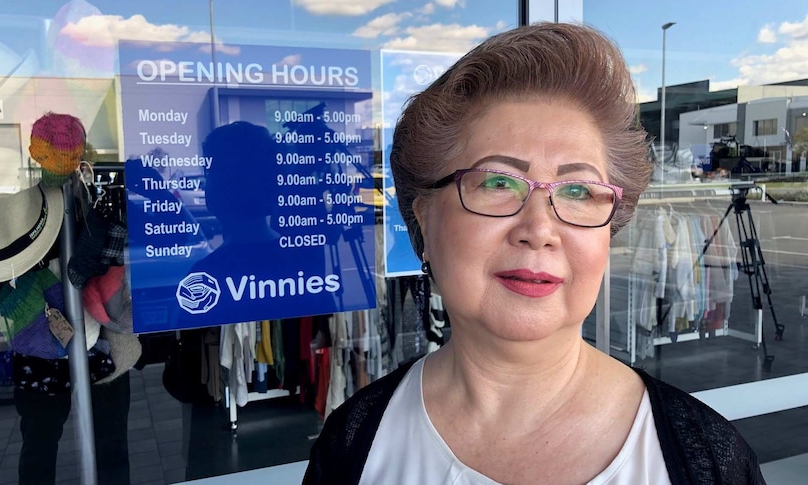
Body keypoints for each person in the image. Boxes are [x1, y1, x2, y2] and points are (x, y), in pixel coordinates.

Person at [303, 22, 765, 484]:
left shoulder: (706, 462)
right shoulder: (355, 447)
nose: (540, 230)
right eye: (497, 183)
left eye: (579, 191)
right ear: (424, 216)